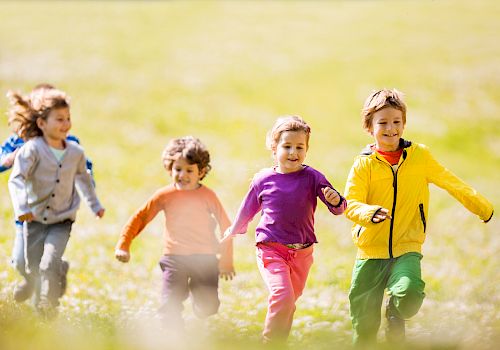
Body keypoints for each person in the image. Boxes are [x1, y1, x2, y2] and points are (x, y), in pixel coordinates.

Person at [344, 88, 494, 346]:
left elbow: (451, 182)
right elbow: (350, 203)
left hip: (407, 246)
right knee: (364, 325)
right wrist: (369, 213)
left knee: (409, 293)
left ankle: (395, 313)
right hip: (370, 251)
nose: (391, 129)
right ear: (369, 127)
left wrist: (482, 207)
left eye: (396, 122)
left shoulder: (419, 156)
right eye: (383, 123)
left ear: (404, 123)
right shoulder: (363, 164)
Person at [222, 116, 346, 344]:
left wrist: (336, 200)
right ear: (274, 148)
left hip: (302, 253)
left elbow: (338, 208)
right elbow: (247, 208)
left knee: (289, 301)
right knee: (283, 296)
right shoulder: (263, 179)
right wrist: (234, 229)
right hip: (271, 249)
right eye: (287, 146)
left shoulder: (313, 177)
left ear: (307, 150)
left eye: (300, 147)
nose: (293, 152)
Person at [115, 136, 234, 330]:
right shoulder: (164, 195)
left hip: (204, 259)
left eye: (189, 170)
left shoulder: (208, 196)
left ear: (201, 172)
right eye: (178, 169)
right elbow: (141, 217)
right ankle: (172, 337)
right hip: (174, 258)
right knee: (169, 304)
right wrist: (124, 244)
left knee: (208, 308)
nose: (182, 175)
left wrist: (226, 260)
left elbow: (227, 226)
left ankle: (196, 292)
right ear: (170, 168)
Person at [7, 87, 105, 318]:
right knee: (24, 264)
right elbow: (16, 179)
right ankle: (49, 275)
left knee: (46, 264)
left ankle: (47, 306)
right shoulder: (29, 149)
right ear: (41, 123)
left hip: (62, 218)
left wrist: (94, 205)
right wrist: (22, 207)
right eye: (59, 119)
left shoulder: (75, 151)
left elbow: (83, 178)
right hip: (33, 218)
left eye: (68, 118)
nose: (66, 124)